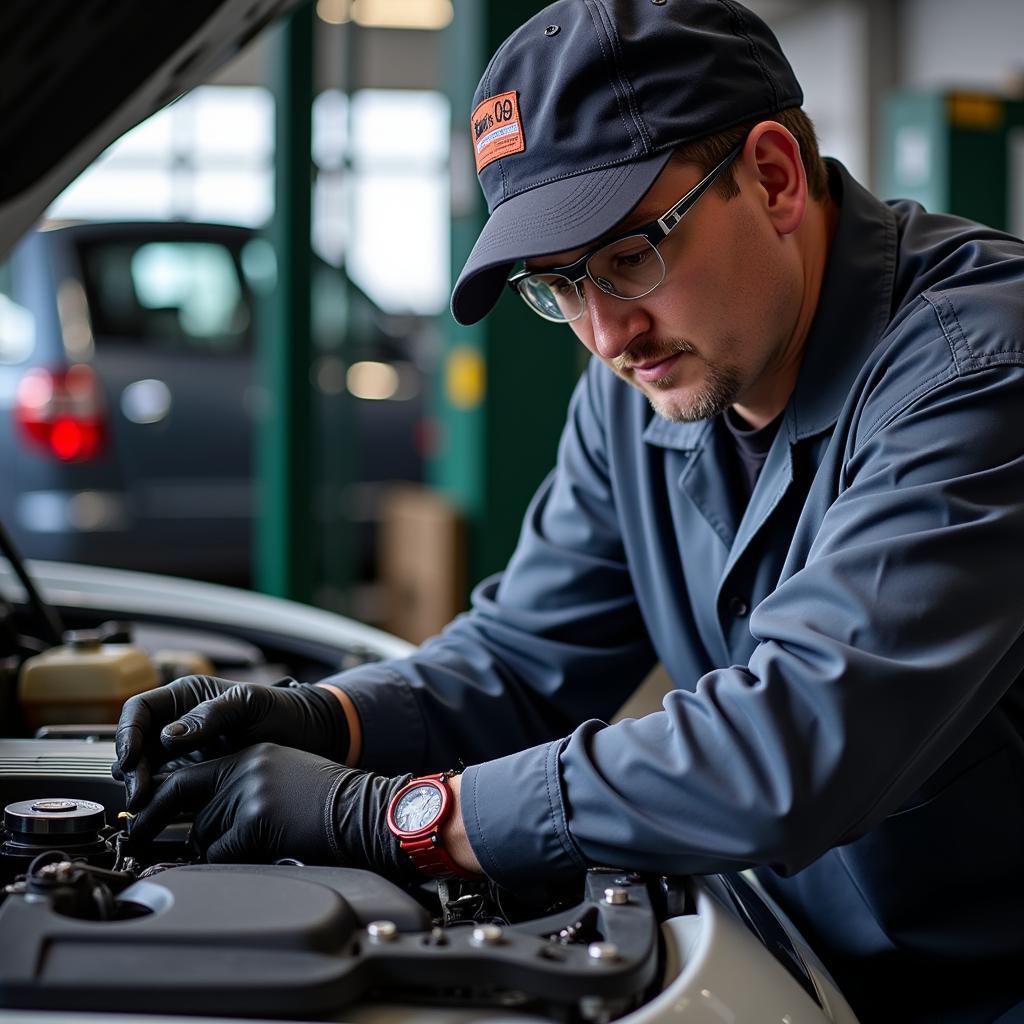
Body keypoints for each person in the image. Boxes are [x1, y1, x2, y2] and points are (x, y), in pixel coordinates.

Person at [114, 2, 1024, 1021]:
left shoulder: (978, 370)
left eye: (630, 254)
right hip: (801, 958)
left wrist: (403, 813)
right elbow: (524, 658)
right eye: (557, 286)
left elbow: (794, 741)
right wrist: (334, 715)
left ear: (771, 176)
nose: (605, 332)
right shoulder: (645, 378)